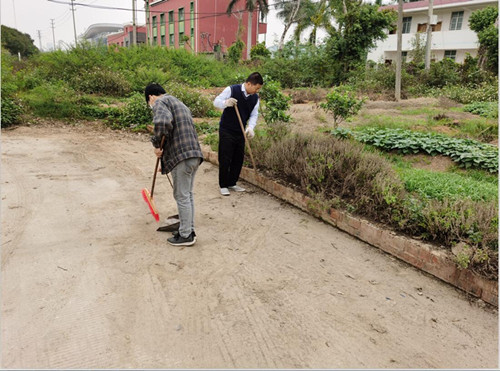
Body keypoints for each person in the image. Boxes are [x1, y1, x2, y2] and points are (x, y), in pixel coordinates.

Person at [145, 83, 204, 247]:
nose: (151, 106)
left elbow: (163, 123)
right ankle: (187, 229)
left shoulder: (160, 102)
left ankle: (186, 235)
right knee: (187, 194)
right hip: (194, 154)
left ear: (151, 96)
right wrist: (164, 161)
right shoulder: (180, 104)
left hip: (182, 157)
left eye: (149, 102)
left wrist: (157, 145)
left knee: (182, 196)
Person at [213, 72, 263, 196]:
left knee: (238, 158)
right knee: (225, 157)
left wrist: (251, 127)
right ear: (249, 84)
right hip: (227, 129)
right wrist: (226, 103)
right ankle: (223, 185)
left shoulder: (255, 98)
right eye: (256, 88)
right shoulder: (232, 90)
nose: (256, 91)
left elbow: (254, 114)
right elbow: (216, 102)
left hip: (240, 131)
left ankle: (232, 182)